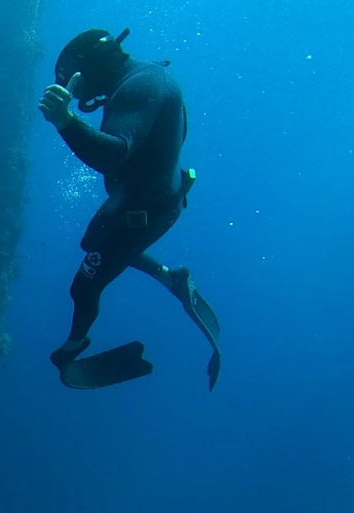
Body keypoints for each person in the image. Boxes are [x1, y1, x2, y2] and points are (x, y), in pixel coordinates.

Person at [39, 28, 221, 389]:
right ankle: (171, 277)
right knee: (94, 245)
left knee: (83, 289)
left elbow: (114, 154)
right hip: (144, 202)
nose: (80, 94)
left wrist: (66, 121)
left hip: (141, 213)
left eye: (78, 80)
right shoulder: (148, 77)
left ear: (93, 65)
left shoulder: (139, 87)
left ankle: (72, 349)